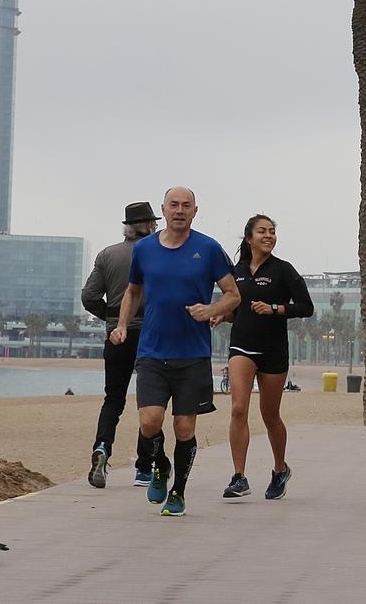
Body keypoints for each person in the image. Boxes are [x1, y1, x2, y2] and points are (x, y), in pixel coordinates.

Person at [110, 187, 241, 517]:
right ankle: (158, 466)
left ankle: (178, 492)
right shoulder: (144, 249)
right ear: (164, 211)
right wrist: (122, 325)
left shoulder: (208, 248)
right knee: (150, 422)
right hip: (152, 350)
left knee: (184, 428)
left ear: (195, 211)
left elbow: (233, 295)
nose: (179, 210)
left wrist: (211, 310)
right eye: (173, 205)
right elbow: (132, 291)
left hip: (193, 354)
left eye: (186, 205)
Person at [214, 214, 314, 501]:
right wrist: (222, 314)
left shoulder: (284, 270)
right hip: (242, 347)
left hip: (273, 351)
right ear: (249, 238)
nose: (269, 236)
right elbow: (235, 308)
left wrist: (275, 309)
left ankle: (280, 469)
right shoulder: (237, 271)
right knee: (237, 409)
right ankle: (239, 477)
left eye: (272, 231)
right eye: (262, 231)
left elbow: (306, 307)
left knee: (270, 415)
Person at [81, 201, 161, 489]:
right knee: (149, 400)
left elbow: (89, 296)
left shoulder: (107, 255)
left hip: (117, 335)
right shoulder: (157, 253)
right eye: (154, 223)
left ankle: (103, 447)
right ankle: (143, 467)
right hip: (150, 334)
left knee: (113, 398)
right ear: (148, 226)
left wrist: (112, 318)